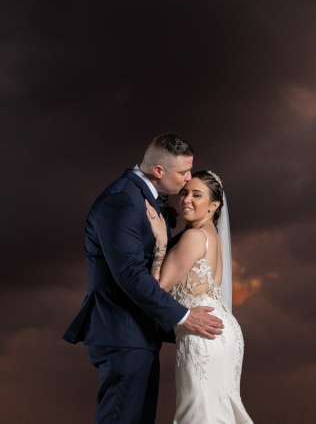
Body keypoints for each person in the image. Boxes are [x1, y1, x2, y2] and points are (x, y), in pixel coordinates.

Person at [63, 134, 224, 424]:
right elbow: (129, 274)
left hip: (139, 333)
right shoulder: (122, 201)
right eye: (183, 172)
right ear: (158, 171)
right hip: (122, 331)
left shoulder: (144, 197)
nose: (188, 179)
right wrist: (184, 316)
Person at [145, 170, 252, 423]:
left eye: (196, 195)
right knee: (217, 412)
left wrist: (161, 241)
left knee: (198, 413)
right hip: (224, 333)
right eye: (183, 193)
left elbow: (157, 288)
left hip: (202, 334)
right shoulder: (212, 238)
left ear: (214, 205)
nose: (186, 200)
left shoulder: (194, 237)